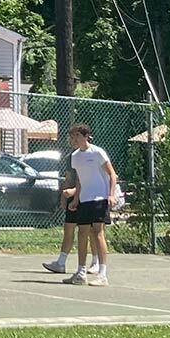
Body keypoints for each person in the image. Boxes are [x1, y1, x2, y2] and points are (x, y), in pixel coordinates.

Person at [60, 123, 118, 287]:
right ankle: (81, 273)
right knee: (82, 233)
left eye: (77, 136)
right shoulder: (75, 157)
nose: (74, 140)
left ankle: (102, 275)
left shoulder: (97, 152)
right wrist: (77, 198)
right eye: (72, 137)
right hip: (84, 199)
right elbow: (79, 180)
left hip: (99, 199)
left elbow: (113, 175)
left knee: (98, 232)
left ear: (86, 136)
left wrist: (111, 195)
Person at [42, 163, 99, 275]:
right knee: (68, 228)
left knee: (92, 231)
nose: (73, 144)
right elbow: (68, 179)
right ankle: (61, 263)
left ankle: (95, 262)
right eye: (73, 143)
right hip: (73, 198)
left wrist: (74, 191)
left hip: (89, 197)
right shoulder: (71, 157)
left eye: (76, 143)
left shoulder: (93, 155)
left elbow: (90, 181)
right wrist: (64, 196)